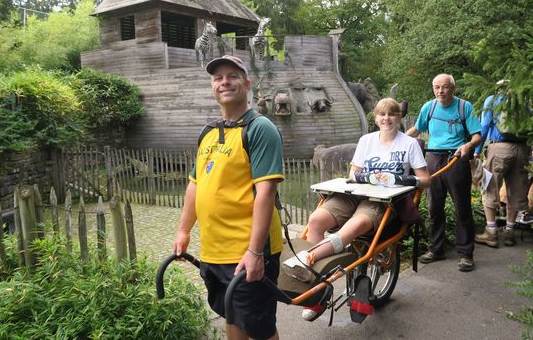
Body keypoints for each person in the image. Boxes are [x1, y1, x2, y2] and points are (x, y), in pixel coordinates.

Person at [283, 98, 430, 320]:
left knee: (356, 225)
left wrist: (398, 178)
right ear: (376, 118)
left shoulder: (409, 144)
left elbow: (425, 180)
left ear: (399, 117)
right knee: (316, 220)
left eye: (392, 114)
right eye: (382, 114)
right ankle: (318, 292)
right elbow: (353, 174)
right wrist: (367, 176)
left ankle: (306, 258)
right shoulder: (366, 140)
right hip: (356, 193)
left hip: (383, 201)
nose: (387, 118)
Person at [173, 55, 284, 340]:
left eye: (232, 76)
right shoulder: (208, 133)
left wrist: (256, 251)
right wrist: (184, 231)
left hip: (248, 249)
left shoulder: (260, 129)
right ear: (212, 86)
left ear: (247, 84)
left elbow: (266, 193)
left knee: (259, 327)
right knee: (231, 315)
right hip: (214, 250)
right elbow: (195, 185)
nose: (224, 82)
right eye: (217, 77)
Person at [406, 74, 481, 272]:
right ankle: (436, 249)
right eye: (437, 87)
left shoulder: (465, 107)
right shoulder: (428, 108)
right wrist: (398, 140)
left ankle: (466, 254)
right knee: (434, 207)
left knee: (462, 208)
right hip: (432, 159)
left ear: (453, 89)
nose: (440, 91)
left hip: (456, 159)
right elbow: (417, 129)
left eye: (445, 87)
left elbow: (477, 135)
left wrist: (468, 145)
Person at [474, 80, 532, 248]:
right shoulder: (524, 103)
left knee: (489, 186)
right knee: (516, 189)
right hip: (522, 149)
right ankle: (510, 231)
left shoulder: (492, 100)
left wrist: (477, 150)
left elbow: (484, 126)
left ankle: (491, 232)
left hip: (499, 148)